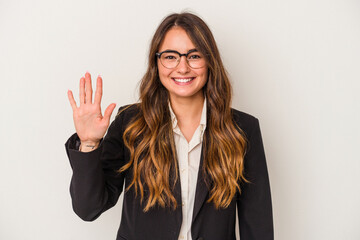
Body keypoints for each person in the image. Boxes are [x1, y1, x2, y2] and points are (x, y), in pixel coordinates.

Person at [65, 12, 273, 240]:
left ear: (209, 61)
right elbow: (89, 209)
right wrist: (89, 143)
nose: (182, 68)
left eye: (194, 56)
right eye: (170, 56)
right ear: (157, 62)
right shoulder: (130, 123)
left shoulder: (243, 129)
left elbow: (258, 226)